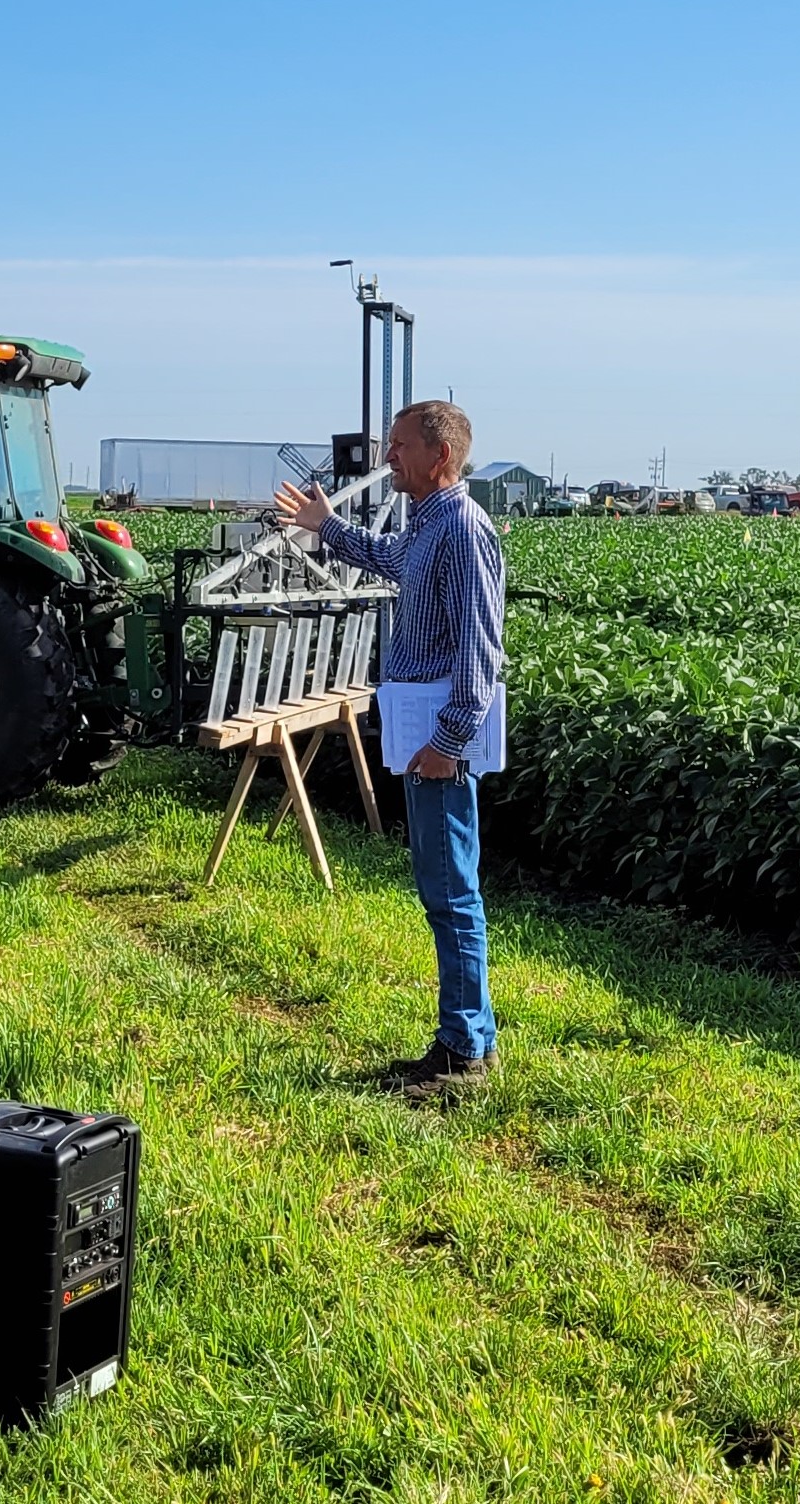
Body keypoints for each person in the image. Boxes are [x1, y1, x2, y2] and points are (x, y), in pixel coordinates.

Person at [274, 398, 508, 1097]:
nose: (386, 458)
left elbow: (480, 648)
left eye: (399, 446)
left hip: (440, 742)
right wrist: (328, 528)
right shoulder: (429, 523)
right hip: (426, 736)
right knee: (447, 890)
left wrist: (448, 739)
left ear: (441, 456)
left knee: (450, 895)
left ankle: (461, 1056)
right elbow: (386, 560)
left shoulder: (463, 529)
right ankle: (476, 1040)